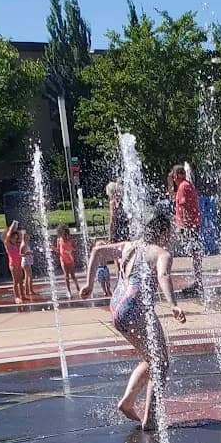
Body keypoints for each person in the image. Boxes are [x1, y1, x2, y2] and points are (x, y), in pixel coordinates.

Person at [81, 210, 185, 428]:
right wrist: (173, 304)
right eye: (171, 233)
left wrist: (89, 284)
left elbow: (98, 252)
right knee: (161, 362)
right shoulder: (161, 253)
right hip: (136, 309)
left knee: (152, 359)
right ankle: (151, 418)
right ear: (164, 233)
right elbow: (163, 276)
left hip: (117, 307)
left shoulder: (129, 246)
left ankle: (128, 402)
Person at [167, 164, 204, 296]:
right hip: (192, 226)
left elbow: (186, 207)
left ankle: (164, 277)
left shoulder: (183, 187)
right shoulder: (187, 185)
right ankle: (198, 282)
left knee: (168, 249)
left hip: (188, 227)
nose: (173, 179)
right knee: (195, 254)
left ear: (177, 175)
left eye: (173, 176)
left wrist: (187, 226)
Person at [2, 221, 25, 307]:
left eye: (16, 238)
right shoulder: (7, 244)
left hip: (18, 264)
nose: (15, 240)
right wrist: (12, 226)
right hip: (13, 264)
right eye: (14, 238)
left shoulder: (15, 245)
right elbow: (8, 235)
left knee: (20, 280)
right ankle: (17, 297)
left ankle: (22, 295)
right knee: (15, 281)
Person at [56, 225, 79, 298]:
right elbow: (58, 250)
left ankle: (77, 287)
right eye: (63, 235)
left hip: (70, 258)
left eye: (66, 235)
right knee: (66, 276)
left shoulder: (70, 240)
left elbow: (75, 248)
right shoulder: (59, 240)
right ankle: (69, 291)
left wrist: (71, 249)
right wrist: (53, 249)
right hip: (63, 259)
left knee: (72, 275)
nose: (65, 237)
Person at [20, 228, 35, 302]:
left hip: (28, 261)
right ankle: (30, 290)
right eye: (28, 236)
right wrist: (27, 254)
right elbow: (20, 254)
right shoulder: (23, 244)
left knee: (27, 277)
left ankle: (27, 290)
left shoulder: (26, 243)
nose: (29, 237)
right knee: (29, 276)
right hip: (25, 262)